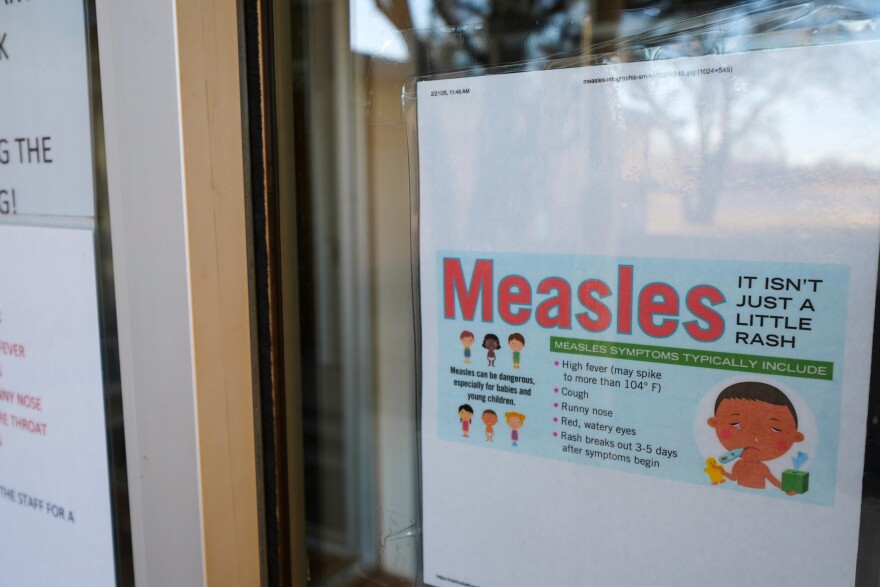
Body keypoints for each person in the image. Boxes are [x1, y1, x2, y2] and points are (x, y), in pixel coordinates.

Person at [707, 381, 804, 493]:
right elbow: (733, 478)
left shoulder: (762, 468)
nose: (755, 437)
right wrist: (722, 472)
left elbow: (773, 480)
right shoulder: (738, 465)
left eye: (775, 428)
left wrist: (786, 489)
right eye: (735, 423)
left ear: (795, 437)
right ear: (715, 423)